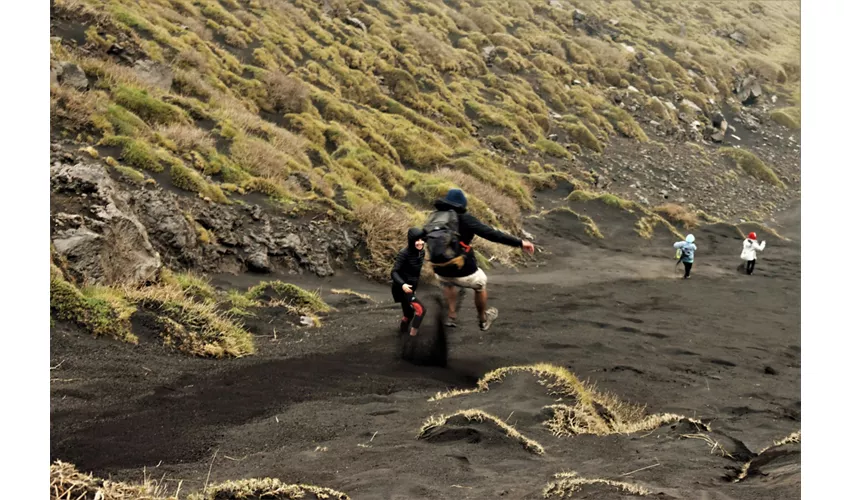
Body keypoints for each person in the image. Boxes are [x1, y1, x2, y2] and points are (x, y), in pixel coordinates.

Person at [424, 188, 534, 331]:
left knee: (447, 282)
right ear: (462, 205)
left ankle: (451, 315)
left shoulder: (435, 217)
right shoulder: (465, 218)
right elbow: (491, 234)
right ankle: (483, 318)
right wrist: (519, 243)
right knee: (480, 284)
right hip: (462, 269)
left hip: (439, 267)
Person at [391, 228, 427, 336]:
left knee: (409, 313)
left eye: (422, 239)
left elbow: (415, 273)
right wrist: (403, 285)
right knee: (421, 310)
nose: (420, 242)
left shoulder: (421, 252)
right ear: (411, 241)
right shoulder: (404, 253)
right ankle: (412, 337)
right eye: (417, 240)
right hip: (401, 288)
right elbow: (394, 272)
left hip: (411, 288)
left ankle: (402, 334)